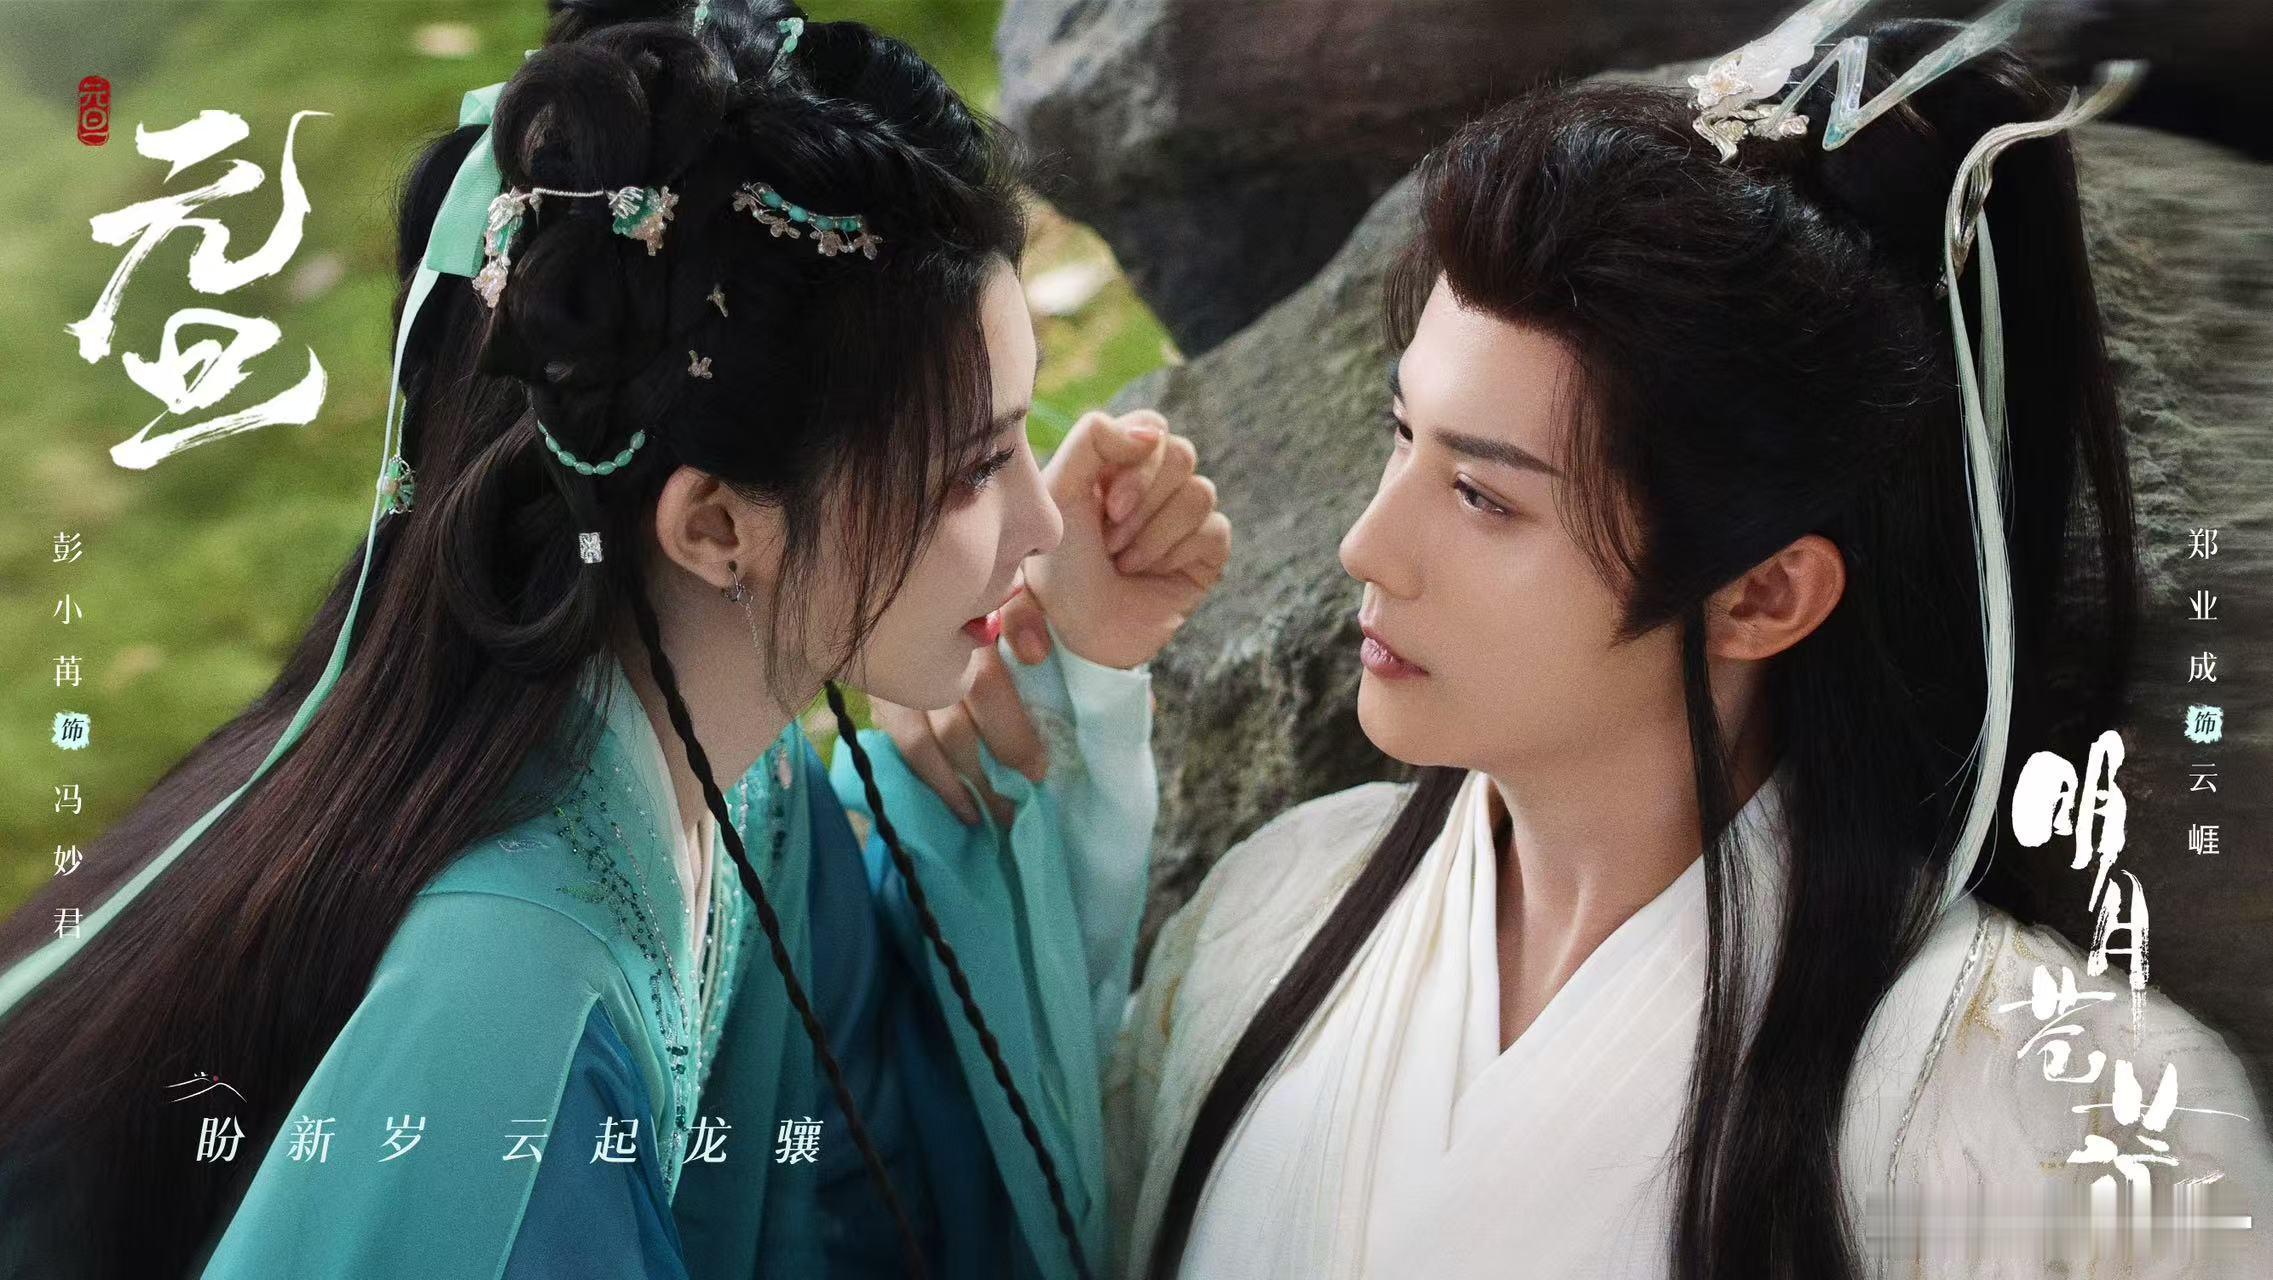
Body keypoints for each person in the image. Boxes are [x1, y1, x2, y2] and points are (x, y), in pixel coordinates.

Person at [0, 3, 1228, 1278]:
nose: (1040, 521)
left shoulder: (729, 774)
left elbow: (886, 1162)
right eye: (974, 467)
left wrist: (1071, 658)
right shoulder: (506, 1011)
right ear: (714, 526)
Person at [1084, 10, 2273, 1280]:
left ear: (1760, 595)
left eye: (1482, 495)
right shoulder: (1269, 917)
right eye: (1400, 436)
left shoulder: (2055, 1117)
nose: (1365, 546)